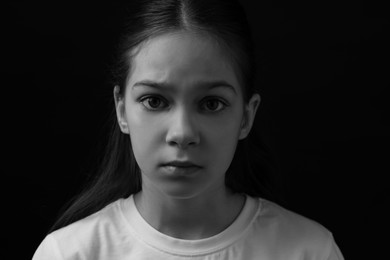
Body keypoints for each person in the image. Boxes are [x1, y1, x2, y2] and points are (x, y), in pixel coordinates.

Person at [33, 0, 344, 259]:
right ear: (121, 108)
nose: (182, 133)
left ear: (246, 117)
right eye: (154, 101)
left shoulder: (310, 250)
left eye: (211, 104)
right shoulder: (70, 253)